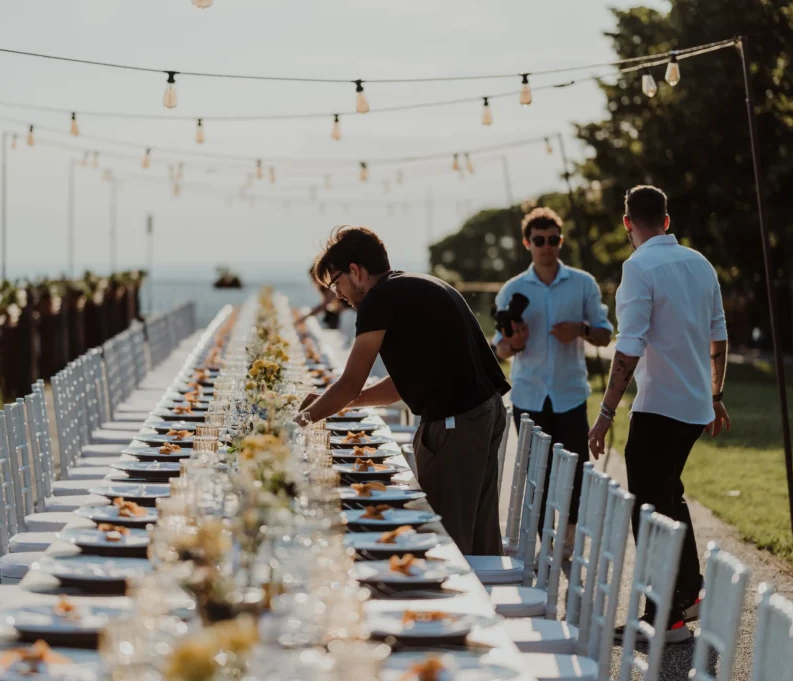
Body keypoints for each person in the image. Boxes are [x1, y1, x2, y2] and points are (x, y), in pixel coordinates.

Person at [294, 225, 511, 555]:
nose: (338, 296)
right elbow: (400, 383)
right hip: (482, 411)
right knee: (478, 536)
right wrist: (348, 403)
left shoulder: (378, 300)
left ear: (355, 271)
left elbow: (350, 381)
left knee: (443, 542)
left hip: (458, 420)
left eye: (336, 284)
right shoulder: (409, 286)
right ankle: (485, 600)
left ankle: (450, 606)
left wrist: (297, 424)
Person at [587, 185, 730, 644]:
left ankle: (662, 618)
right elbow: (719, 336)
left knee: (649, 510)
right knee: (670, 496)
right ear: (666, 220)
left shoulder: (638, 267)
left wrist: (606, 413)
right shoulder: (700, 263)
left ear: (628, 223)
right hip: (693, 407)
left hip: (660, 407)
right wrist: (716, 394)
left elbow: (629, 347)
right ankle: (689, 590)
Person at [493, 207, 613, 541]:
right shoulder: (512, 289)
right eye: (539, 240)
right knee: (535, 473)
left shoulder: (582, 283)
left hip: (570, 392)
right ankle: (539, 539)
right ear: (526, 243)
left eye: (553, 239)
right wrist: (514, 343)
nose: (546, 246)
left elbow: (605, 334)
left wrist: (580, 328)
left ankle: (569, 541)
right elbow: (498, 351)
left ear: (561, 241)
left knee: (575, 471)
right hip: (528, 394)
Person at [297, 265, 348, 329]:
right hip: (340, 316)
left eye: (314, 278)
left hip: (346, 317)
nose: (313, 281)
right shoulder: (325, 289)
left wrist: (303, 318)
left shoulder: (331, 287)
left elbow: (323, 306)